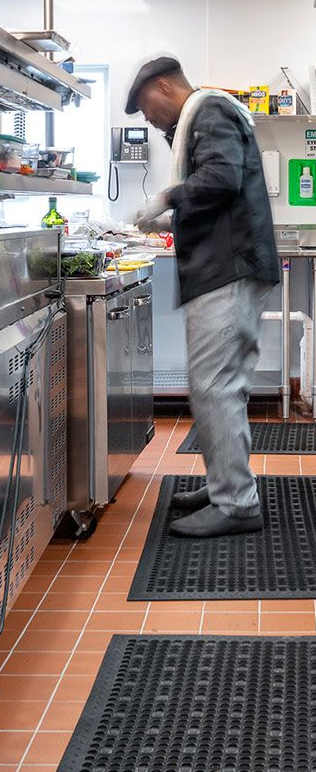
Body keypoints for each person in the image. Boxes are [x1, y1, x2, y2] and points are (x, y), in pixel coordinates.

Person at [126, 55, 280, 538]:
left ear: (165, 86)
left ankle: (236, 503)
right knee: (215, 383)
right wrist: (172, 218)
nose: (146, 119)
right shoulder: (205, 117)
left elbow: (221, 178)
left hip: (227, 271)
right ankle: (224, 485)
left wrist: (167, 199)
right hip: (224, 267)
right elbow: (219, 192)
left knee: (215, 384)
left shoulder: (210, 111)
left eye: (145, 106)